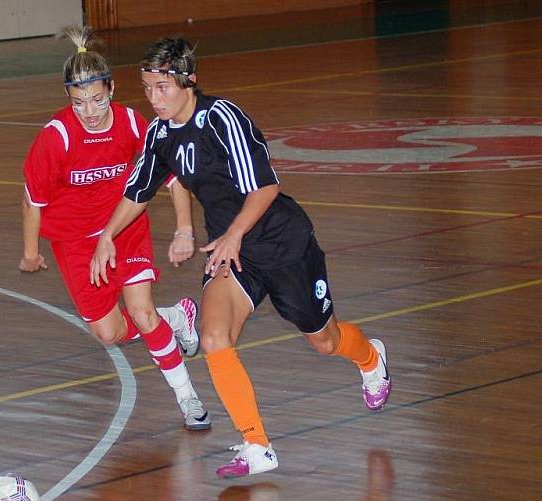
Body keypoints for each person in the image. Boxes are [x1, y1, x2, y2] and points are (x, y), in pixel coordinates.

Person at [90, 37, 392, 478]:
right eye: (147, 88)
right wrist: (106, 236)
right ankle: (257, 444)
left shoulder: (221, 118)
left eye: (162, 88)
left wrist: (233, 234)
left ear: (188, 80)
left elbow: (266, 187)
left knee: (323, 341)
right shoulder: (160, 135)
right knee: (214, 338)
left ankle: (370, 358)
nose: (153, 99)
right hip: (232, 253)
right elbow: (137, 192)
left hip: (282, 243)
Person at [20, 26, 211, 430]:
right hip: (74, 242)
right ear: (67, 99)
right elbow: (33, 201)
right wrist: (31, 251)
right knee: (109, 333)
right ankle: (176, 318)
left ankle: (188, 397)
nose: (90, 111)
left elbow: (174, 178)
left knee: (141, 314)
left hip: (124, 228)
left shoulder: (129, 123)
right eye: (79, 103)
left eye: (98, 100)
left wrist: (183, 229)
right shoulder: (56, 139)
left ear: (111, 88)